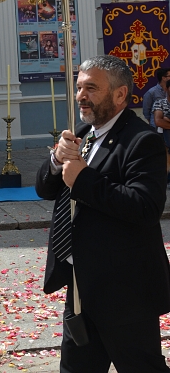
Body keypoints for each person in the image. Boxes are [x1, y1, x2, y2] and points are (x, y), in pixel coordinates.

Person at [36, 55, 170, 371]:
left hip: (125, 293)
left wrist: (82, 178)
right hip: (82, 285)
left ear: (120, 94)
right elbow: (45, 189)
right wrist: (56, 160)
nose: (81, 96)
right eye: (79, 87)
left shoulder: (142, 141)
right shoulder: (84, 132)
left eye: (91, 88)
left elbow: (145, 207)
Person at [152, 79, 170, 172]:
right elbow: (158, 121)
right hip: (165, 141)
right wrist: (164, 120)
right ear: (167, 89)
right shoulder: (160, 103)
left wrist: (166, 120)